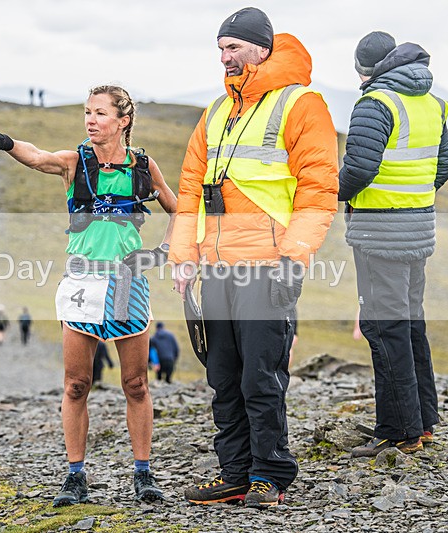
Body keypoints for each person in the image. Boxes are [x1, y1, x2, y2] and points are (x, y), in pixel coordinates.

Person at [0, 84, 177, 506]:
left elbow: (179, 210)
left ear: (123, 121)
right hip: (82, 283)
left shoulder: (143, 166)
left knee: (136, 384)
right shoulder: (75, 162)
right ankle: (75, 477)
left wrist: (161, 254)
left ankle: (143, 475)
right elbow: (38, 157)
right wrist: (6, 143)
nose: (90, 120)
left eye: (100, 113)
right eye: (87, 112)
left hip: (127, 283)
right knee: (77, 384)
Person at [169, 7, 338, 507]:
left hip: (268, 265)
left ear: (262, 49)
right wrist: (183, 257)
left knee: (260, 376)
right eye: (220, 49)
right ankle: (235, 473)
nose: (225, 58)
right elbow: (189, 190)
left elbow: (318, 189)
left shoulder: (302, 104)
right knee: (223, 377)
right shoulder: (215, 112)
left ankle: (270, 474)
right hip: (217, 268)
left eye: (234, 48)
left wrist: (295, 256)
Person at [339, 32, 448, 458]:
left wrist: (333, 193)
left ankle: (397, 431)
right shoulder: (431, 101)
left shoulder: (376, 103)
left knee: (384, 328)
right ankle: (422, 422)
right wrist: (414, 199)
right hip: (418, 228)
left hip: (379, 232)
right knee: (409, 323)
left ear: (365, 68)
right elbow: (445, 164)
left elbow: (360, 168)